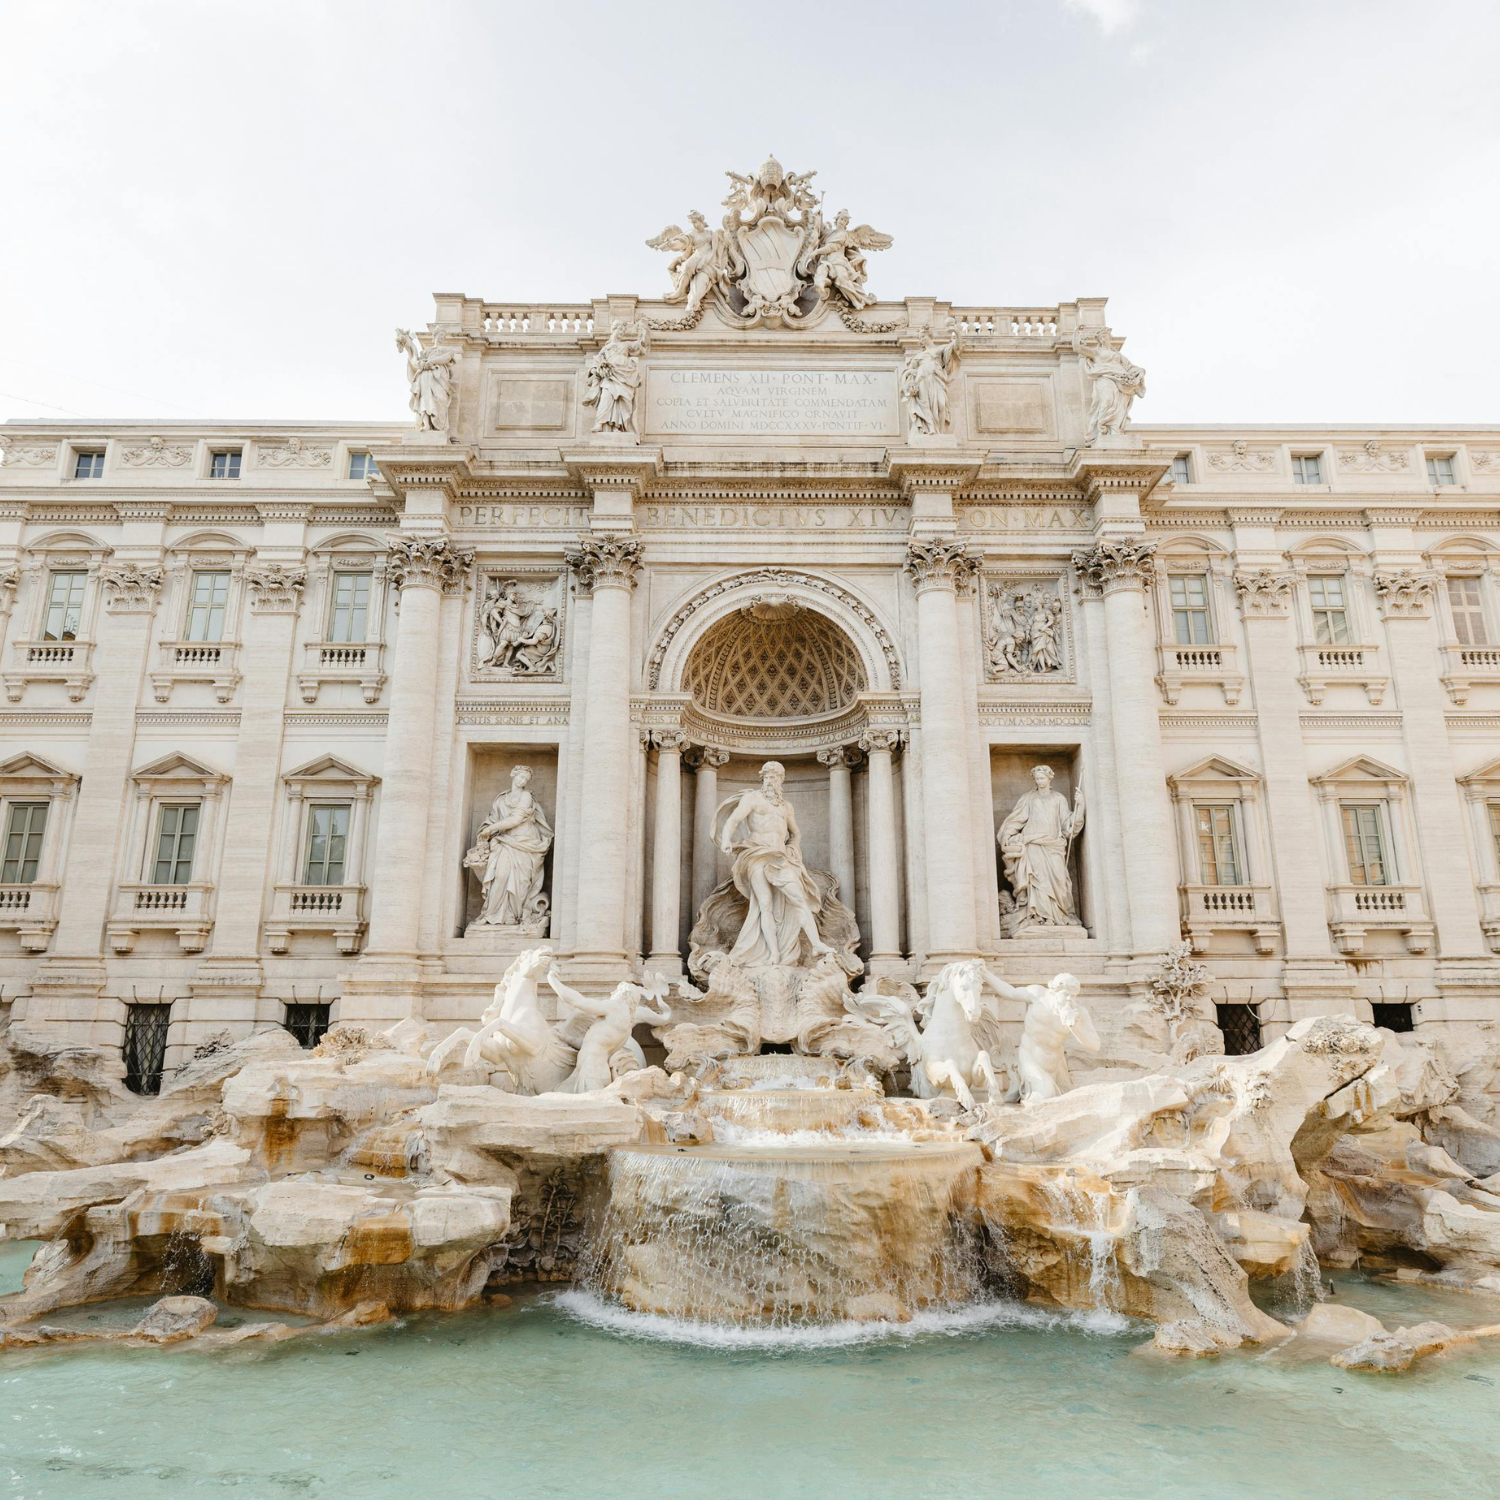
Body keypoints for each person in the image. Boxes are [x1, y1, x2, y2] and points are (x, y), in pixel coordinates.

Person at [718, 761, 833, 968]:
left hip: (780, 857)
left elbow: (796, 833)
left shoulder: (786, 806)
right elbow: (733, 821)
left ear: (782, 780)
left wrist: (793, 847)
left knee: (799, 898)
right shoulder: (752, 798)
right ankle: (773, 954)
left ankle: (816, 944)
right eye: (769, 776)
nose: (772, 780)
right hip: (756, 854)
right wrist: (726, 840)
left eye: (776, 776)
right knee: (765, 905)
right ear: (762, 778)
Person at [997, 765, 1085, 927]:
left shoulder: (1059, 799)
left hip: (1053, 845)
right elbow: (1017, 819)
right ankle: (1040, 917)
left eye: (1042, 778)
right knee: (1037, 881)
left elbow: (1068, 825)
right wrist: (1007, 835)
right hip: (1033, 845)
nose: (1039, 781)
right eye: (1037, 779)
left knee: (1059, 880)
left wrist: (1080, 807)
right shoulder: (1028, 798)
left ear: (1049, 778)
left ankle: (1060, 914)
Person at [467, 766, 553, 927]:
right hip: (505, 841)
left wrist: (490, 829)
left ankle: (513, 916)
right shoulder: (501, 799)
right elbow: (492, 819)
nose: (523, 781)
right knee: (500, 876)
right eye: (521, 777)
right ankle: (491, 913)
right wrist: (487, 831)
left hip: (526, 843)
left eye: (526, 780)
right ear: (513, 775)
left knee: (521, 882)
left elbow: (515, 820)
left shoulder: (526, 796)